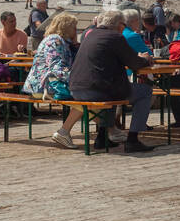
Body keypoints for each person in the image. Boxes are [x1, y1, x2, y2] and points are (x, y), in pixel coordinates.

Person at [68, 9, 155, 152]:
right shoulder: (115, 37)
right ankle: (133, 139)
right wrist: (145, 59)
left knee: (114, 90)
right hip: (96, 90)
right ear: (120, 25)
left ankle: (102, 137)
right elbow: (135, 63)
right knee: (145, 91)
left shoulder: (90, 35)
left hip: (76, 89)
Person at [23, 12, 84, 148]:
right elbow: (57, 68)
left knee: (89, 100)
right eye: (74, 27)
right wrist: (77, 80)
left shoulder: (61, 41)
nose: (76, 31)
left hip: (51, 84)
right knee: (85, 101)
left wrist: (74, 45)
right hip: (43, 86)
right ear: (67, 27)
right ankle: (63, 132)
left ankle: (109, 131)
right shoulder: (54, 41)